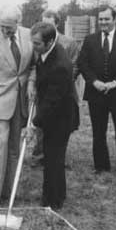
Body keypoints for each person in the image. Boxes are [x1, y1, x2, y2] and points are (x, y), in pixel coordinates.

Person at [0, 5, 35, 206]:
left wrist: (31, 82)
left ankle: (10, 191)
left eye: (9, 28)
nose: (4, 31)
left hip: (21, 100)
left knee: (14, 148)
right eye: (2, 26)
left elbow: (34, 65)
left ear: (18, 23)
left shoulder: (30, 35)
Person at [78, 6, 116, 174]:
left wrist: (115, 82)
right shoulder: (89, 40)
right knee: (98, 132)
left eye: (106, 19)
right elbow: (83, 64)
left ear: (114, 20)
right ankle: (101, 166)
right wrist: (94, 81)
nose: (103, 22)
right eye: (101, 19)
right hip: (96, 93)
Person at [26, 22, 75, 211]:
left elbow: (51, 102)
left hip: (61, 118)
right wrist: (35, 87)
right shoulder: (47, 52)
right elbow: (41, 74)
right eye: (33, 42)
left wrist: (32, 124)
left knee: (54, 159)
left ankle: (54, 201)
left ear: (50, 41)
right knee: (51, 157)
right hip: (52, 114)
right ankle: (51, 195)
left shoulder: (60, 65)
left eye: (37, 43)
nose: (34, 47)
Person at [32, 10, 82, 167]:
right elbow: (37, 66)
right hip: (47, 93)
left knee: (55, 140)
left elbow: (73, 66)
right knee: (43, 125)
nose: (44, 26)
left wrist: (61, 82)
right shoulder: (40, 43)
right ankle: (41, 155)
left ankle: (55, 158)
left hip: (60, 96)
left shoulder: (67, 44)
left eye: (48, 24)